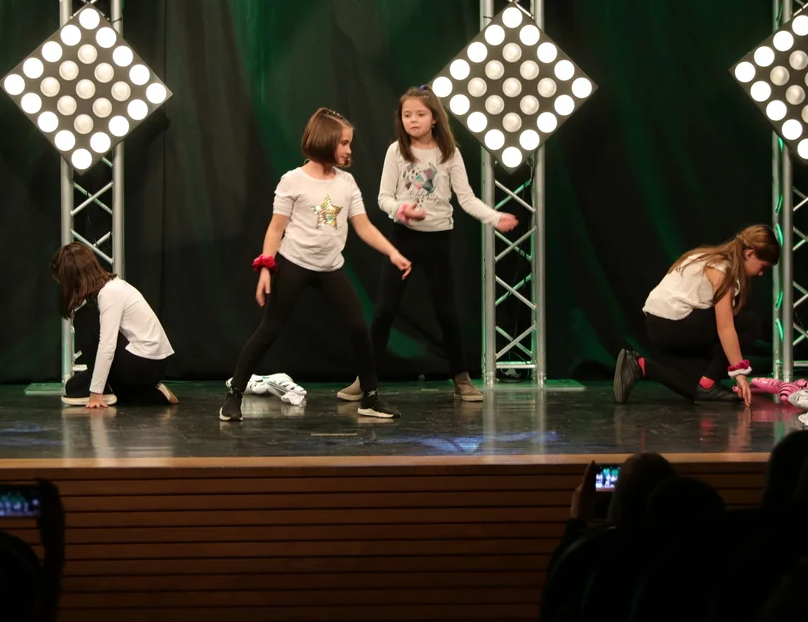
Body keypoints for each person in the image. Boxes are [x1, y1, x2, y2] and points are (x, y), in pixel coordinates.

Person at [219, 107, 412, 422]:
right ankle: (234, 395)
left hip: (330, 267)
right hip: (294, 262)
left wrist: (392, 252)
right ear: (326, 141)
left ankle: (370, 398)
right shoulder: (293, 181)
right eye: (344, 143)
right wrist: (266, 267)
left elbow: (363, 226)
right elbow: (276, 228)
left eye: (349, 143)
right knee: (269, 329)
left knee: (359, 330)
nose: (349, 150)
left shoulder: (346, 183)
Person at [335, 86, 518, 404]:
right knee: (384, 310)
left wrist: (494, 217)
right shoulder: (396, 151)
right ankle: (365, 380)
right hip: (403, 239)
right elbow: (383, 198)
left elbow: (466, 198)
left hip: (438, 240)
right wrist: (401, 209)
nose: (413, 120)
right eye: (407, 115)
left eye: (420, 114)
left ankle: (461, 379)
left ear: (434, 118)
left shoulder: (449, 153)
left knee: (447, 312)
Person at [613, 224, 779, 405]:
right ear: (750, 254)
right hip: (672, 325)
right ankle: (708, 385)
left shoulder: (709, 256)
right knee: (749, 323)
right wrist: (740, 374)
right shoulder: (723, 271)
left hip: (659, 326)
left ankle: (639, 365)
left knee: (696, 387)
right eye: (762, 266)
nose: (761, 273)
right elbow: (725, 328)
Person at [51, 242, 177, 408]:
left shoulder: (110, 293)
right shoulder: (110, 289)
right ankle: (151, 393)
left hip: (147, 364)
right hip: (147, 363)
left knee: (83, 318)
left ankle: (108, 390)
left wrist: (96, 393)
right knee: (72, 386)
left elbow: (107, 345)